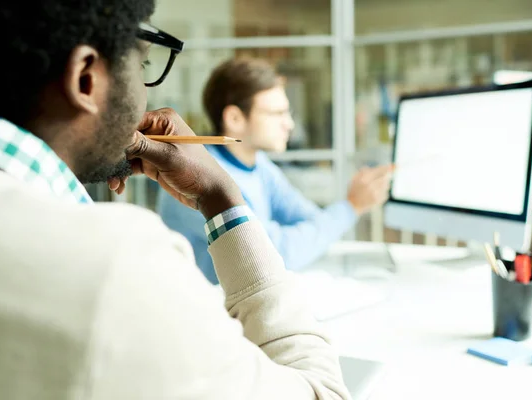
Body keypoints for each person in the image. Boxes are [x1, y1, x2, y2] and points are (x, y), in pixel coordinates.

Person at [0, 1, 350, 399]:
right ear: (86, 78)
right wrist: (221, 196)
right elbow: (322, 391)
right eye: (143, 66)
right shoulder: (118, 265)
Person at [158, 58, 393, 284]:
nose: (289, 124)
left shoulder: (258, 165)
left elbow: (308, 217)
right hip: (212, 314)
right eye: (277, 113)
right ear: (235, 118)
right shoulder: (197, 177)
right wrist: (352, 206)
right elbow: (274, 254)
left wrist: (338, 216)